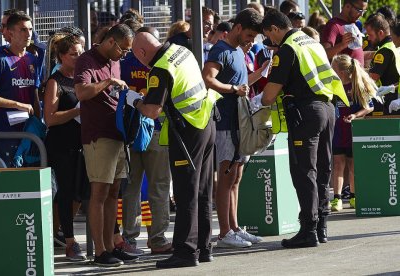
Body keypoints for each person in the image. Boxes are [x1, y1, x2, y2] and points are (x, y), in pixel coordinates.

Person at [130, 30, 220, 268]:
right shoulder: (182, 51)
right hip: (206, 122)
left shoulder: (160, 68)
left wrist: (134, 100)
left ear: (141, 52)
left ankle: (185, 252)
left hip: (187, 132)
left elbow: (151, 111)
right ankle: (203, 247)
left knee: (186, 192)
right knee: (202, 190)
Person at [260, 9, 348, 248]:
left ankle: (308, 228)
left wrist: (260, 99)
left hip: (306, 112)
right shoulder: (312, 41)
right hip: (328, 108)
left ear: (275, 29)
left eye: (269, 35)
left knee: (303, 170)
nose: (271, 41)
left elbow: (269, 95)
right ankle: (321, 228)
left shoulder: (288, 48)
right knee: (322, 168)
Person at [74, 24, 138, 267]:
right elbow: (81, 92)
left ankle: (111, 246)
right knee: (99, 194)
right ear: (111, 42)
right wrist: (109, 81)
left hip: (117, 134)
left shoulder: (115, 60)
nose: (124, 55)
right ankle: (100, 251)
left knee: (114, 193)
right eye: (123, 49)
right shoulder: (86, 60)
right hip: (97, 136)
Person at [202, 8, 264, 249]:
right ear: (238, 28)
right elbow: (208, 78)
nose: (251, 40)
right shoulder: (221, 49)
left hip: (240, 121)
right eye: (249, 35)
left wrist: (256, 76)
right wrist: (232, 90)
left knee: (236, 175)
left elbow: (241, 82)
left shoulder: (239, 51)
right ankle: (224, 232)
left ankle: (235, 227)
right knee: (227, 176)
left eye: (254, 37)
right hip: (225, 121)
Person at [119, 26, 172, 256]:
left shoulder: (123, 63)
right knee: (158, 186)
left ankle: (129, 239)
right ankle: (157, 240)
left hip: (132, 133)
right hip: (155, 131)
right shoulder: (164, 62)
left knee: (131, 188)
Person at [43, 34, 86, 261]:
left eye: (81, 53)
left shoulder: (83, 78)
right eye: (73, 54)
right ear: (61, 57)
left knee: (81, 192)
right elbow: (50, 118)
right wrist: (77, 111)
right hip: (62, 145)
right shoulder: (55, 81)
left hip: (83, 142)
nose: (79, 57)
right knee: (66, 192)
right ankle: (70, 241)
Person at [0, 12, 41, 166]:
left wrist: (39, 121)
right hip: (6, 133)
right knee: (11, 185)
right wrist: (16, 105)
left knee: (30, 185)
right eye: (23, 30)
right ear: (10, 33)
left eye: (30, 29)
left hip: (30, 133)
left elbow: (34, 95)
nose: (28, 34)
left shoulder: (33, 60)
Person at [330, 54, 377, 212]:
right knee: (337, 164)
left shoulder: (357, 85)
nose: (331, 70)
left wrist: (356, 115)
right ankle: (336, 199)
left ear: (341, 71)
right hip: (337, 131)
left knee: (352, 165)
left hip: (353, 131)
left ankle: (353, 197)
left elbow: (370, 106)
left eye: (333, 68)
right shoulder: (333, 85)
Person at [365, 13, 400, 116]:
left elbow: (372, 78)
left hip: (388, 101)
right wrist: (393, 87)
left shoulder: (384, 50)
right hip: (395, 97)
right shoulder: (394, 47)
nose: (369, 39)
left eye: (370, 35)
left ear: (380, 33)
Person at [321, 0, 368, 66]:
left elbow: (355, 53)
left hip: (358, 74)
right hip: (343, 75)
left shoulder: (357, 24)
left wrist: (373, 54)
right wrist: (342, 45)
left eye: (364, 11)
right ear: (347, 6)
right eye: (359, 10)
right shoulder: (333, 25)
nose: (361, 14)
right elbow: (324, 54)